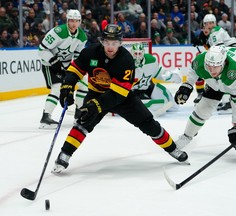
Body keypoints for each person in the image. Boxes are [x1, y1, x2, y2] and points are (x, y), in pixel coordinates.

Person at [51, 24, 188, 173]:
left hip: (122, 98)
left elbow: (117, 93)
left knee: (148, 123)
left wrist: (96, 105)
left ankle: (173, 149)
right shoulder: (90, 52)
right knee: (82, 123)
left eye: (114, 43)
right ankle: (64, 154)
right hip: (96, 93)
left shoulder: (126, 60)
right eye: (107, 43)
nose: (110, 47)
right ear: (102, 41)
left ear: (120, 43)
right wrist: (67, 86)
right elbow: (75, 69)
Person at [174, 45, 236, 156]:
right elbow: (193, 69)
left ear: (223, 63)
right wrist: (187, 84)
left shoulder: (233, 71)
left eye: (215, 66)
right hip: (219, 78)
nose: (211, 70)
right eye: (209, 66)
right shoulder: (201, 61)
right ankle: (186, 136)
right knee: (204, 107)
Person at [38, 9, 88, 129]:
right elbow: (42, 49)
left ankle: (79, 113)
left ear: (80, 22)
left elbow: (77, 56)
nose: (74, 24)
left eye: (76, 21)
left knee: (84, 83)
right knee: (56, 88)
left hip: (66, 65)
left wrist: (78, 70)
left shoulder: (82, 36)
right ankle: (45, 118)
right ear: (67, 21)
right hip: (50, 64)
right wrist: (54, 61)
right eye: (71, 20)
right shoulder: (58, 32)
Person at [130, 43, 182, 117]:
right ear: (132, 53)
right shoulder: (127, 63)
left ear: (143, 53)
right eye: (135, 53)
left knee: (173, 106)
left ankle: (153, 109)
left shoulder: (150, 60)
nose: (138, 56)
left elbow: (158, 73)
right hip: (133, 92)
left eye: (139, 53)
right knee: (156, 104)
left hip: (148, 87)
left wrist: (170, 76)